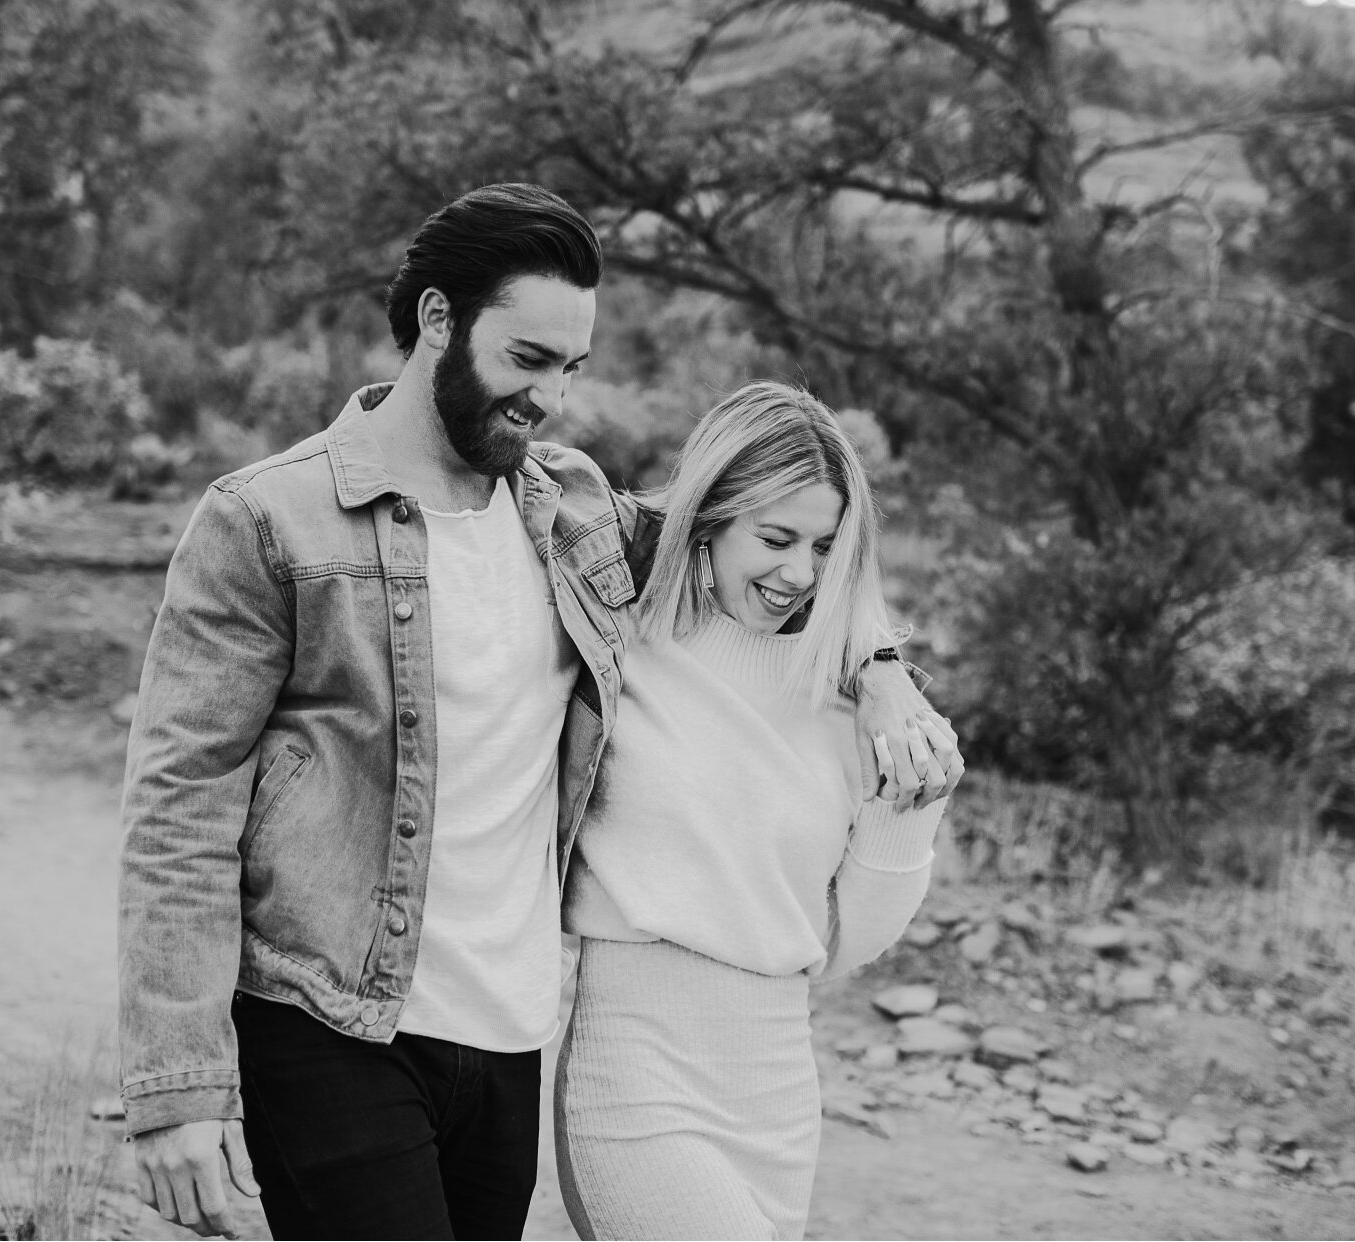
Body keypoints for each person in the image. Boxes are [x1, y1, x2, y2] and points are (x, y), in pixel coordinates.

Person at [117, 183, 964, 1241]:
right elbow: (177, 811)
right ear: (437, 320)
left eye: (570, 368)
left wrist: (880, 665)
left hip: (508, 1030)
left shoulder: (570, 508)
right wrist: (178, 1090)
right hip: (330, 1019)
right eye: (528, 359)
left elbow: (772, 536)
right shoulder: (267, 519)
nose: (551, 397)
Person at [556, 381, 953, 1241]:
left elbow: (846, 939)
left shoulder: (851, 700)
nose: (799, 573)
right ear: (709, 514)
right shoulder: (623, 636)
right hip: (636, 1075)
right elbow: (542, 483)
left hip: (777, 1092)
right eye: (774, 538)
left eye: (823, 545)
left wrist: (907, 808)